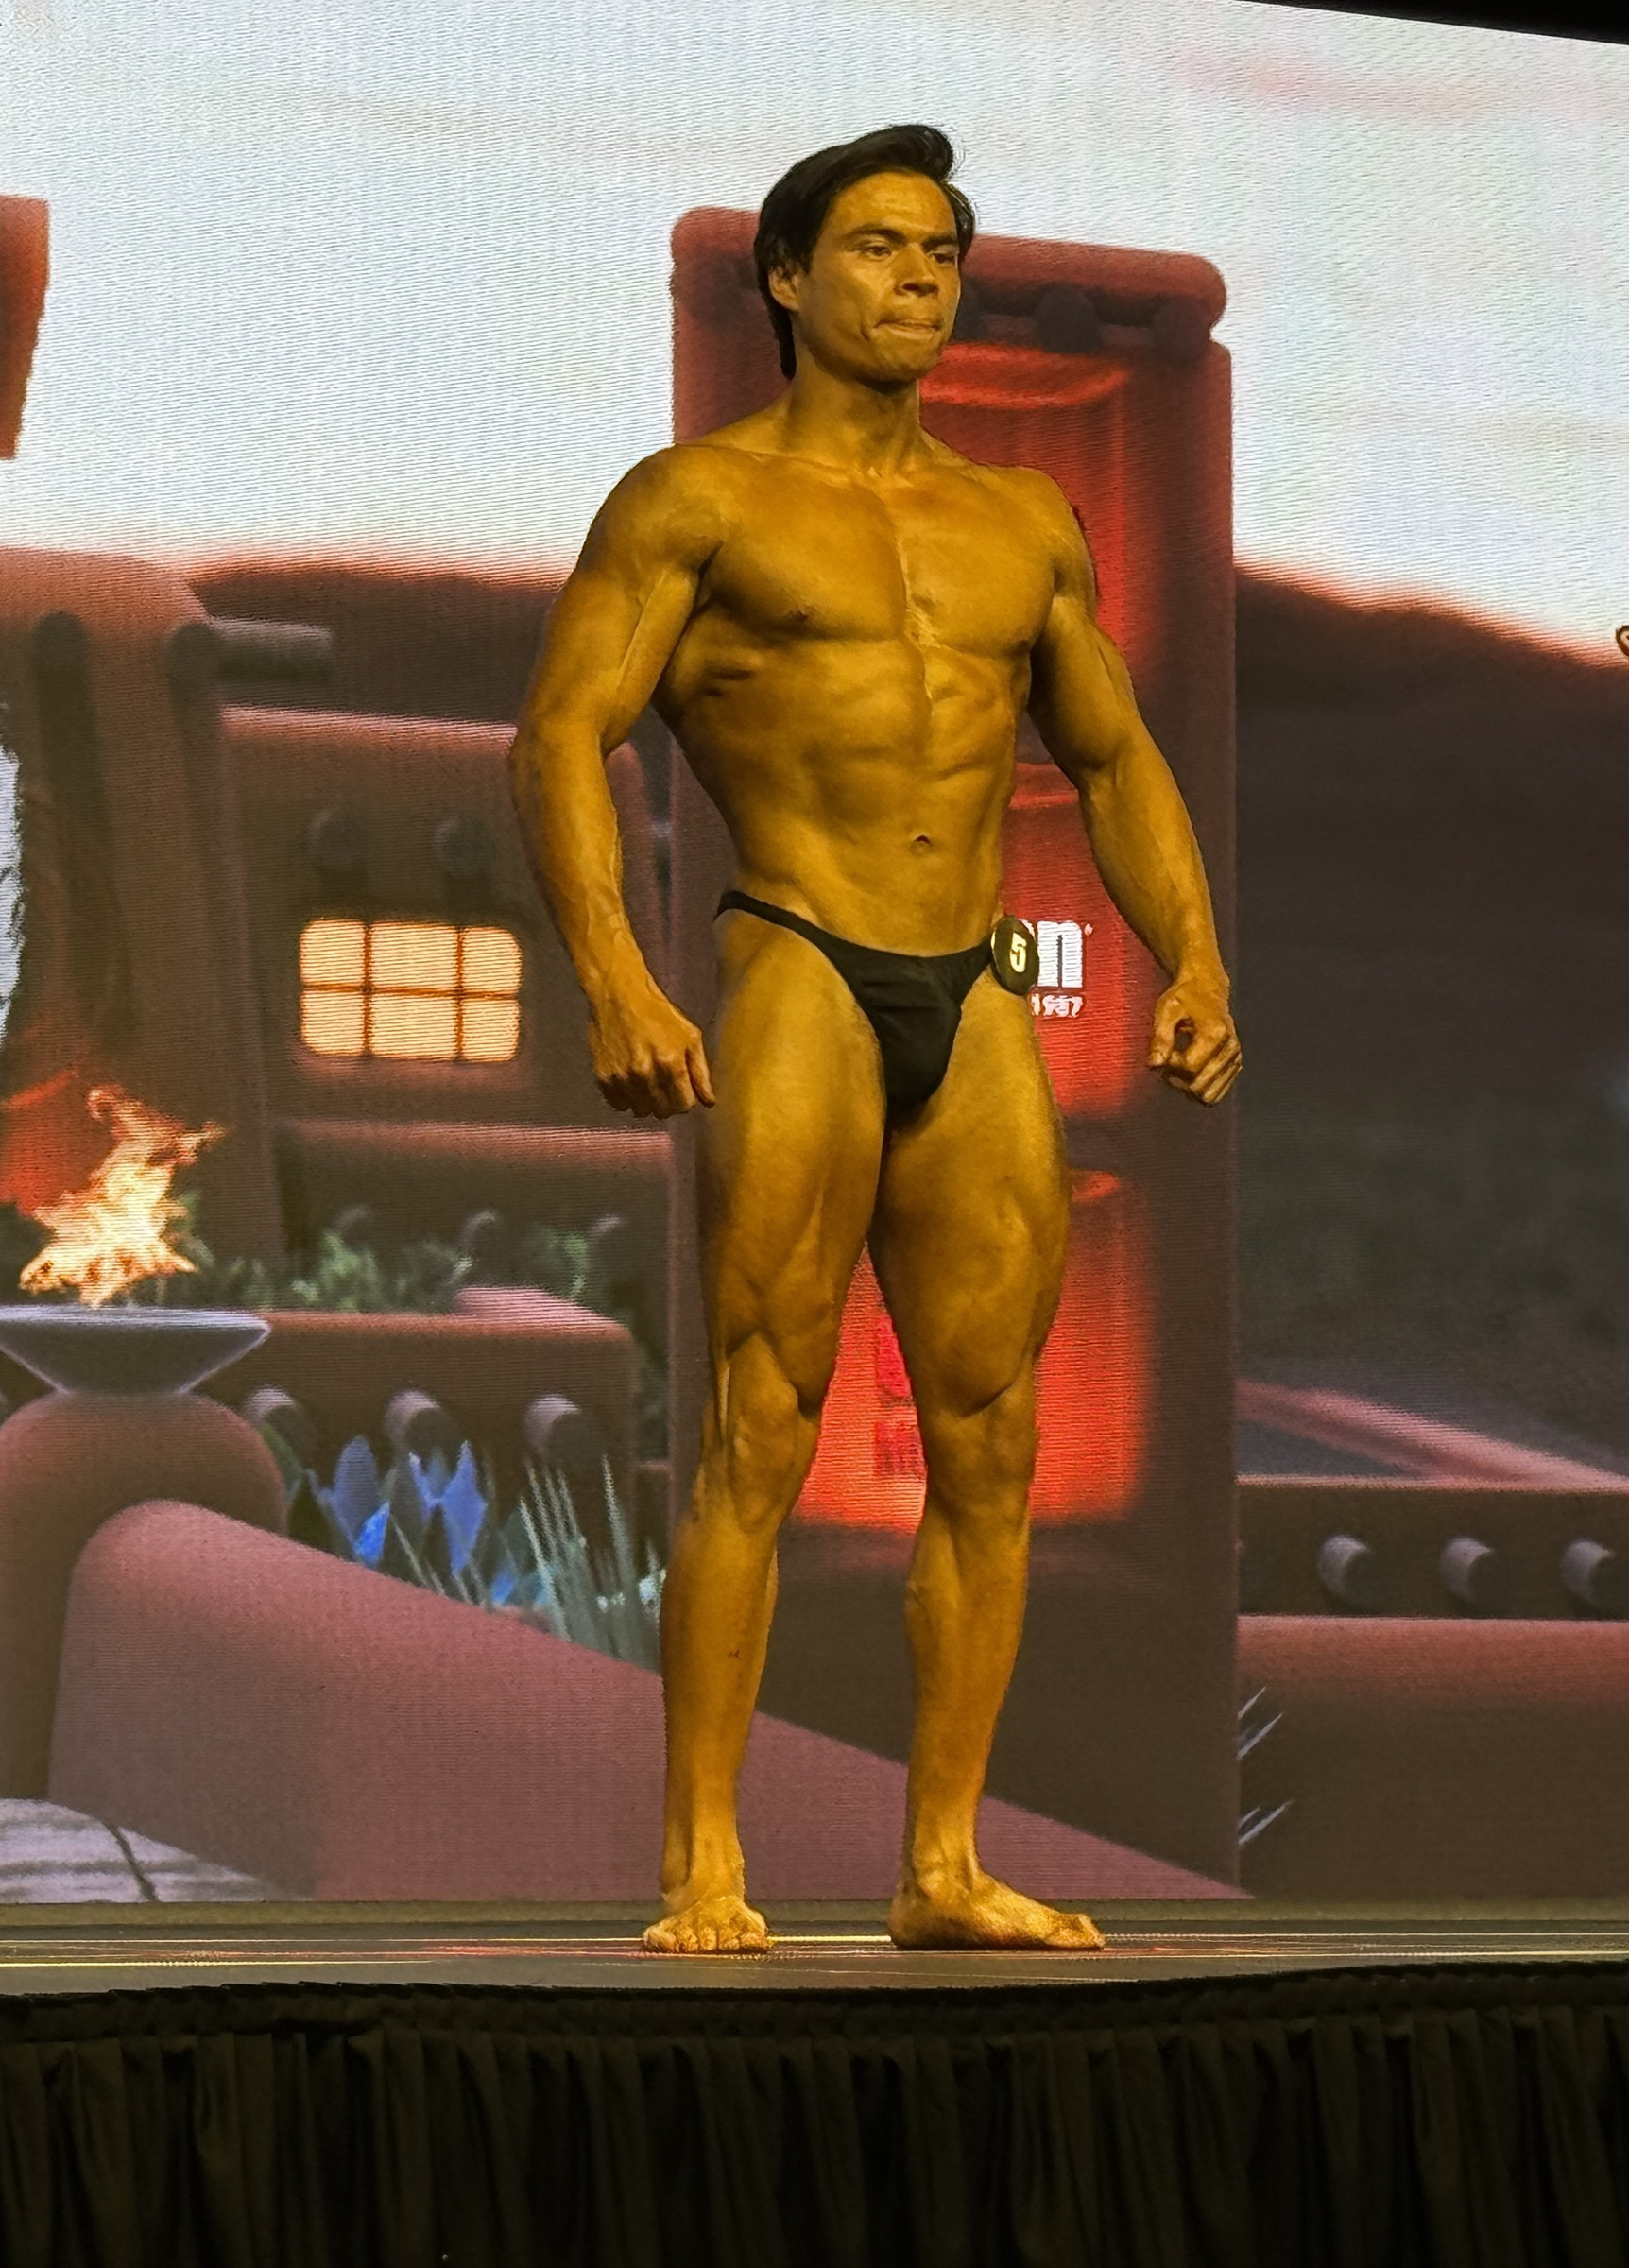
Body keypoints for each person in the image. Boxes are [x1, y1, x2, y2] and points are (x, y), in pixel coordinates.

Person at [512, 124, 1238, 1954]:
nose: (919, 278)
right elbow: (563, 733)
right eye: (877, 247)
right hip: (800, 961)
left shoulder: (1022, 521)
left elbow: (1114, 759)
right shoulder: (696, 503)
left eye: (940, 252)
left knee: (992, 1445)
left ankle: (941, 1867)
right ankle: (703, 1864)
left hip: (970, 990)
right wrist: (613, 974)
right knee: (762, 1427)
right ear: (786, 275)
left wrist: (1197, 961)